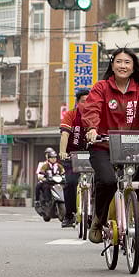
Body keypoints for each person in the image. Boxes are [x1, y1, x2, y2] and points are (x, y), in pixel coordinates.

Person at [82, 48, 139, 244]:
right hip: (102, 145)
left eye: (127, 62)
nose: (123, 66)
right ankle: (98, 220)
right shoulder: (101, 87)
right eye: (119, 62)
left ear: (133, 66)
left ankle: (138, 209)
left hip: (131, 146)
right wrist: (92, 129)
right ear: (112, 65)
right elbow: (91, 109)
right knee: (108, 181)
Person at [58, 88, 91, 228]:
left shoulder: (96, 115)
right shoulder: (70, 115)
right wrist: (62, 152)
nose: (87, 104)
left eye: (89, 101)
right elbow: (65, 135)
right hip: (72, 156)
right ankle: (69, 214)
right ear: (77, 103)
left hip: (92, 155)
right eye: (84, 101)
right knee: (70, 182)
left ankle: (94, 214)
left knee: (100, 183)